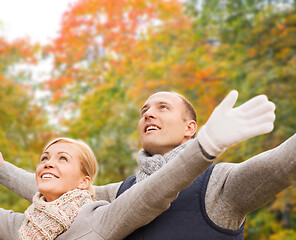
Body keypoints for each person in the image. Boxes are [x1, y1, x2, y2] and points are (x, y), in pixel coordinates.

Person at [1, 90, 295, 239]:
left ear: (190, 128)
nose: (148, 114)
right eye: (144, 111)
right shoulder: (120, 193)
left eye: (162, 108)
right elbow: (58, 189)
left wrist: (210, 143)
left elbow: (282, 164)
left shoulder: (220, 184)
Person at [0, 136, 215, 240]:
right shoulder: (22, 225)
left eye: (63, 159)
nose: (47, 163)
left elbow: (152, 192)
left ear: (83, 182)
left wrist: (206, 147)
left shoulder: (97, 219)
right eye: (44, 158)